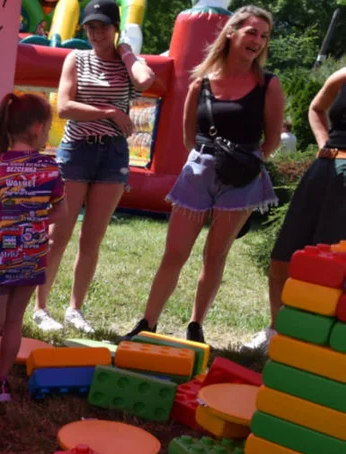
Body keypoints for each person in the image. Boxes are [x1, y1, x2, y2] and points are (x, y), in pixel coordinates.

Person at [125, 6, 282, 344]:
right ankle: (147, 323)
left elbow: (270, 141)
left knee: (216, 255)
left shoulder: (269, 85)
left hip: (241, 178)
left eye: (264, 36)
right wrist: (212, 160)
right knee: (175, 253)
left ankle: (196, 325)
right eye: (251, 32)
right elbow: (186, 137)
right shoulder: (201, 83)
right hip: (198, 171)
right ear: (231, 33)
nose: (257, 41)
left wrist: (243, 164)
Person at [31, 0, 155, 334]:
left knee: (92, 238)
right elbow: (65, 107)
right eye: (90, 27)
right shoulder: (76, 58)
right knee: (58, 235)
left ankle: (75, 309)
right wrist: (110, 113)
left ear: (115, 28)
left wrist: (127, 51)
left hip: (113, 155)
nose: (96, 33)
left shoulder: (127, 62)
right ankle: (40, 308)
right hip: (77, 151)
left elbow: (145, 80)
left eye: (102, 26)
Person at [0, 92, 67, 403]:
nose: (47, 134)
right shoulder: (50, 169)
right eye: (47, 127)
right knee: (14, 321)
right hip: (33, 254)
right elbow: (61, 211)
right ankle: (1, 384)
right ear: (36, 128)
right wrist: (32, 221)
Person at [244, 67, 346, 352]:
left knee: (329, 269)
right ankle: (276, 333)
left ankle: (312, 344)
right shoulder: (343, 75)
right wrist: (324, 144)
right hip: (324, 168)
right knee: (283, 258)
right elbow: (316, 108)